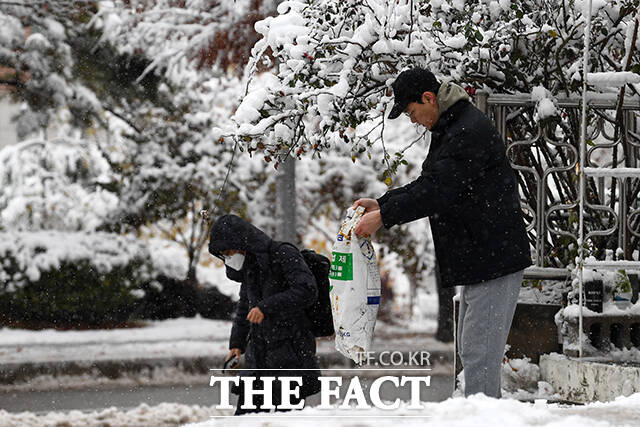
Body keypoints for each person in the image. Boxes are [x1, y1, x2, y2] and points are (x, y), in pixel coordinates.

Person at [353, 67, 531, 398]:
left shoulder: (465, 132)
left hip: (494, 259)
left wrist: (385, 216)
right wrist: (382, 204)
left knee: (479, 355)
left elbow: (437, 190)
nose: (413, 120)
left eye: (412, 112)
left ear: (429, 98)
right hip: (484, 258)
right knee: (474, 352)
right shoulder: (452, 125)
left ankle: (483, 421)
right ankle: (479, 415)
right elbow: (430, 184)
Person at [208, 214, 321, 415]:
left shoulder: (283, 254)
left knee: (286, 419)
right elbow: (245, 308)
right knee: (244, 419)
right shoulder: (250, 269)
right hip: (259, 357)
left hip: (291, 354)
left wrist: (266, 307)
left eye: (229, 252)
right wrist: (236, 345)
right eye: (223, 255)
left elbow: (307, 290)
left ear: (242, 243)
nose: (228, 258)